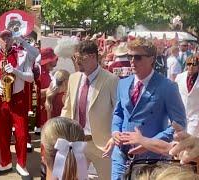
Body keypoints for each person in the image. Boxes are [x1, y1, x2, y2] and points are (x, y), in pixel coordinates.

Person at [111, 37, 187, 180]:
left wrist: (149, 143)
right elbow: (119, 113)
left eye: (138, 57)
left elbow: (179, 124)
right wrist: (115, 131)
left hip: (150, 160)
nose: (132, 61)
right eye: (130, 56)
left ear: (152, 59)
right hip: (121, 155)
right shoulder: (123, 83)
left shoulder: (167, 87)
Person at [61, 40, 119, 180]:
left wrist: (114, 138)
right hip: (77, 142)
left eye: (81, 58)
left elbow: (118, 112)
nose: (77, 62)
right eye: (75, 58)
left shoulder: (111, 80)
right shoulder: (74, 78)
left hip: (102, 146)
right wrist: (61, 131)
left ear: (93, 56)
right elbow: (68, 108)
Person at [0, 30, 39, 178]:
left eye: (8, 37)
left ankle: (21, 164)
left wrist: (16, 71)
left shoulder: (22, 55)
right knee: (2, 134)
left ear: (12, 39)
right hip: (1, 98)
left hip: (18, 98)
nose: (6, 41)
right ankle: (5, 162)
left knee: (22, 134)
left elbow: (30, 78)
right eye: (3, 38)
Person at [175, 55, 199, 137]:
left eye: (194, 65)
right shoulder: (180, 77)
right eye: (189, 64)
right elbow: (175, 94)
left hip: (195, 116)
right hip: (181, 116)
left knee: (189, 140)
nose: (191, 67)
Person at [38, 47, 58, 133]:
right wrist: (55, 89)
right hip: (43, 114)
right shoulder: (41, 73)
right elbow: (37, 93)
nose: (57, 60)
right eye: (55, 59)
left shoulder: (46, 72)